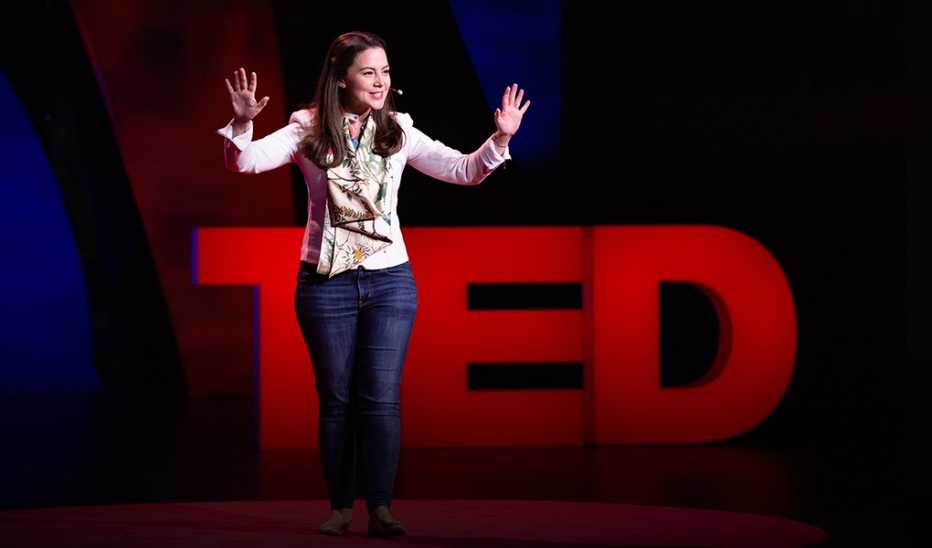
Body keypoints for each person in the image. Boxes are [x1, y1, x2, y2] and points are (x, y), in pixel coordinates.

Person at [216, 31, 529, 537]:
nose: (381, 81)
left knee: (381, 398)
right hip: (325, 283)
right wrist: (242, 123)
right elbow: (244, 162)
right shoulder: (307, 129)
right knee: (336, 399)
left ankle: (381, 508)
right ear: (342, 78)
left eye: (385, 71)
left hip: (390, 283)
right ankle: (341, 507)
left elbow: (463, 171)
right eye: (369, 72)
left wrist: (500, 140)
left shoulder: (398, 131)